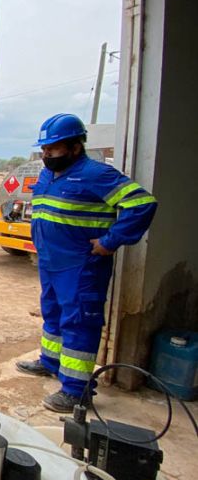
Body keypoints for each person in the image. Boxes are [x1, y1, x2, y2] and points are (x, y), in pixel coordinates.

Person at [16, 113, 156, 413]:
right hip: (52, 261)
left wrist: (110, 241)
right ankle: (50, 361)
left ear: (75, 147)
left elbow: (141, 203)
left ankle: (76, 391)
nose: (46, 155)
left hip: (81, 265)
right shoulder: (48, 174)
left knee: (79, 322)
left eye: (52, 149)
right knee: (52, 313)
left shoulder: (96, 175)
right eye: (44, 150)